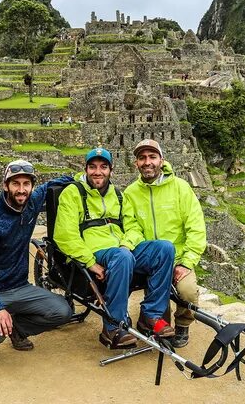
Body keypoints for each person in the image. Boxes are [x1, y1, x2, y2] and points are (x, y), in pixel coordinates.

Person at [54, 148, 175, 349]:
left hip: (121, 248)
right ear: (85, 169)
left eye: (103, 167)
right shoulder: (72, 193)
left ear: (111, 170)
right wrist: (90, 262)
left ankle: (151, 316)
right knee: (122, 257)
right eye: (92, 167)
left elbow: (133, 227)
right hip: (95, 251)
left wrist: (126, 244)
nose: (97, 172)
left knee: (164, 249)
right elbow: (65, 234)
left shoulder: (118, 195)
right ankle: (113, 327)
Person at [0, 160, 74, 367]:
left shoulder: (32, 202)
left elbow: (55, 183)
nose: (21, 189)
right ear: (5, 185)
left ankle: (18, 329)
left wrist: (81, 178)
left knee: (63, 312)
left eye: (26, 184)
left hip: (20, 287)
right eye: (15, 184)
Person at [123, 139, 207, 348]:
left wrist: (187, 262)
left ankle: (183, 324)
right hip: (152, 257)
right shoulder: (131, 193)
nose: (147, 162)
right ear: (136, 163)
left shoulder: (181, 188)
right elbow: (131, 227)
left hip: (178, 257)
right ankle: (155, 323)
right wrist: (132, 248)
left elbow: (196, 227)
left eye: (152, 157)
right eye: (142, 158)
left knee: (187, 291)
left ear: (162, 160)